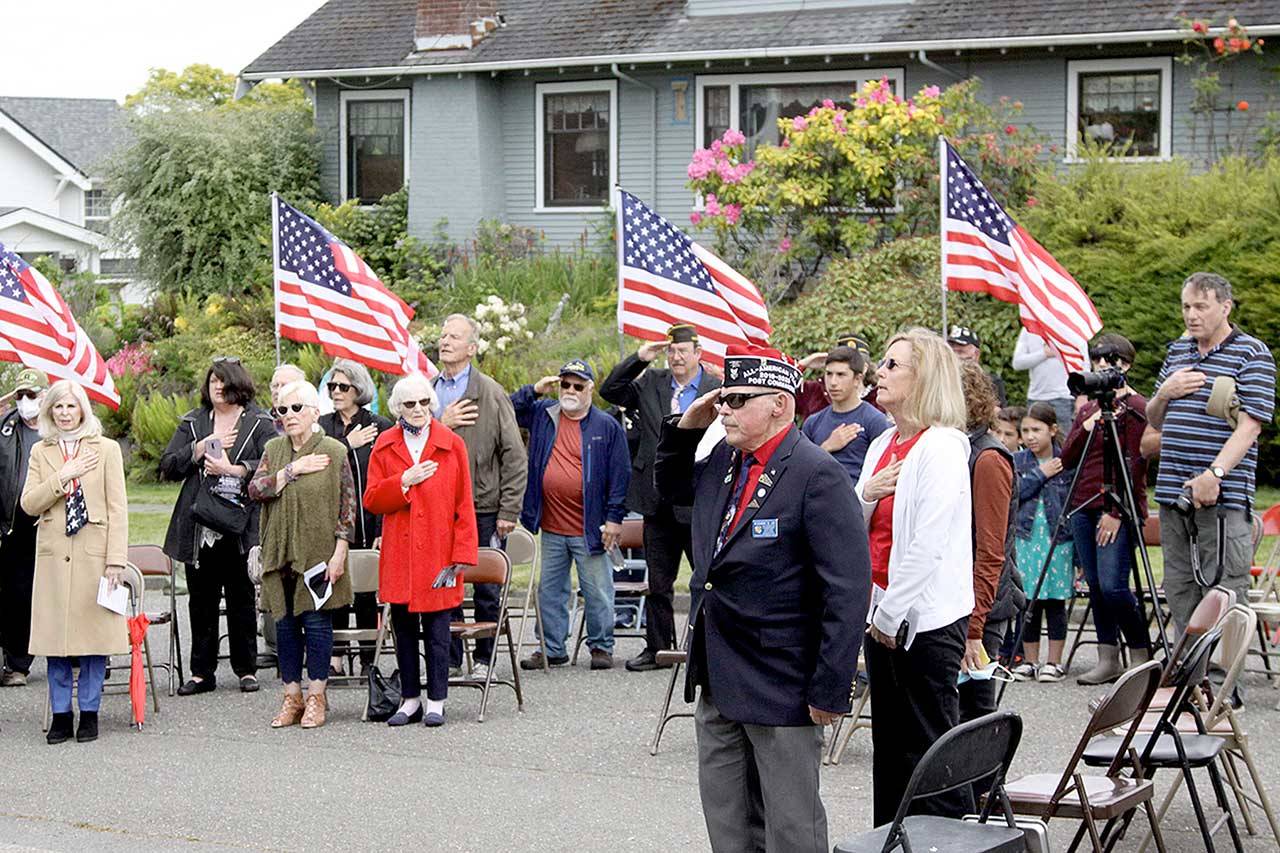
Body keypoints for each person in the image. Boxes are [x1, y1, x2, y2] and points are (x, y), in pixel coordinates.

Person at [655, 343, 869, 853]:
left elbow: (847, 589)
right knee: (728, 825)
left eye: (737, 399)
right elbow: (671, 488)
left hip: (782, 681)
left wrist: (830, 688)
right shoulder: (726, 462)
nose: (723, 409)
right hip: (719, 671)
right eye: (722, 399)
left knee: (792, 829)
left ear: (779, 403)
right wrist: (687, 426)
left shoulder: (816, 473)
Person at [855, 328, 974, 824]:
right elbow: (854, 524)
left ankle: (945, 838)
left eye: (891, 365)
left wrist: (891, 614)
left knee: (928, 744)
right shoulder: (883, 440)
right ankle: (891, 836)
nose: (878, 373)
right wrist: (865, 494)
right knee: (890, 745)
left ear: (923, 378)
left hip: (923, 620)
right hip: (880, 609)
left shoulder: (943, 445)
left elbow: (926, 543)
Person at [1147, 272, 1276, 634]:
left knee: (1223, 590)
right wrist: (1164, 393)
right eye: (1186, 306)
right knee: (1179, 587)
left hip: (1221, 495)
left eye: (1201, 306)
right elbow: (1154, 419)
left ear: (1225, 307)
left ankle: (1221, 687)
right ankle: (1190, 683)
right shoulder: (1178, 351)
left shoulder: (1252, 353)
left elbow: (1251, 426)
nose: (1192, 315)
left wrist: (1213, 475)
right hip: (1173, 491)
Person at [599, 323, 721, 671]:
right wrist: (640, 358)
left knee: (706, 579)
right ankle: (658, 648)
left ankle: (711, 647)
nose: (676, 356)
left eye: (683, 351)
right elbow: (611, 390)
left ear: (699, 353)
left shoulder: (714, 389)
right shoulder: (651, 383)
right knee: (659, 582)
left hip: (699, 499)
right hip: (657, 499)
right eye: (672, 351)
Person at [364, 373, 477, 727]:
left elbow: (464, 503)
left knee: (439, 630)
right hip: (400, 552)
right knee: (404, 628)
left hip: (439, 552)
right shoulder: (384, 444)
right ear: (398, 407)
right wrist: (403, 481)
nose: (418, 409)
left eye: (424, 402)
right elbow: (371, 500)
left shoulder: (451, 443)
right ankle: (410, 698)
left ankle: (437, 700)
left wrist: (462, 554)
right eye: (410, 404)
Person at [21, 380, 128, 744]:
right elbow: (29, 503)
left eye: (71, 406)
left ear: (83, 409)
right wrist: (62, 476)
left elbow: (118, 508)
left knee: (93, 639)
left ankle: (90, 711)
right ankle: (62, 715)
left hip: (93, 554)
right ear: (49, 412)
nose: (65, 414)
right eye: (58, 407)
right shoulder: (41, 452)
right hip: (54, 556)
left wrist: (115, 559)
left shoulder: (107, 449)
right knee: (57, 641)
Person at [160, 357, 274, 696]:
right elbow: (168, 465)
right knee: (201, 600)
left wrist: (235, 469)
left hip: (240, 524)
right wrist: (196, 451)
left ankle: (246, 669)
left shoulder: (259, 420)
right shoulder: (194, 421)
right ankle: (201, 672)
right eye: (212, 383)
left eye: (223, 383)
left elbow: (272, 462)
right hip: (200, 526)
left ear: (237, 385)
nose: (217, 389)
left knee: (241, 598)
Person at [248, 380, 354, 729]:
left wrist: (340, 552)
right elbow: (256, 489)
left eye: (296, 408)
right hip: (280, 550)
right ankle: (292, 697)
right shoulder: (274, 449)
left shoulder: (335, 451)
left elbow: (347, 509)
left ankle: (316, 697)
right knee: (285, 625)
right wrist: (291, 470)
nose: (288, 415)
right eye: (282, 409)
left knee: (317, 624)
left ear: (314, 411)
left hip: (319, 552)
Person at [513, 360, 629, 671]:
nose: (571, 391)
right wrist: (534, 390)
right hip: (550, 523)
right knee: (550, 591)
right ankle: (552, 648)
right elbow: (509, 410)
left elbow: (620, 476)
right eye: (566, 384)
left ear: (590, 389)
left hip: (591, 526)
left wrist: (615, 519)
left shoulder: (606, 425)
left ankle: (601, 646)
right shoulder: (544, 413)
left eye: (579, 385)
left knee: (598, 591)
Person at [433, 314, 527, 682]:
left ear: (471, 348)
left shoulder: (490, 391)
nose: (444, 342)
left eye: (454, 337)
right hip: (438, 507)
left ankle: (486, 657)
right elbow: (412, 442)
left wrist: (509, 509)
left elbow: (515, 455)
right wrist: (442, 421)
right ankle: (452, 659)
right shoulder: (427, 392)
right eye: (442, 335)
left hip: (483, 506)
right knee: (446, 583)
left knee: (485, 586)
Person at [1061, 334, 1153, 684]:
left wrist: (1116, 512)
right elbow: (1067, 457)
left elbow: (1136, 462)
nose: (1101, 365)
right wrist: (1085, 426)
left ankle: (1141, 656)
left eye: (1110, 360)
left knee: (1114, 586)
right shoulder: (1088, 409)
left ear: (1126, 365)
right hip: (1084, 503)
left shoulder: (1136, 408)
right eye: (1096, 359)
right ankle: (1107, 656)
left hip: (1118, 507)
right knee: (1097, 586)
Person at [956, 361, 1022, 724]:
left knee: (976, 714)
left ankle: (988, 784)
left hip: (983, 608)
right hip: (959, 604)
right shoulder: (954, 448)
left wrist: (975, 627)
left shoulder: (988, 458)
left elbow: (991, 550)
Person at [318, 358, 392, 677]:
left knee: (363, 591)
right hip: (330, 523)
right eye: (331, 386)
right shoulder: (322, 425)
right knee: (334, 587)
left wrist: (382, 526)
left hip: (367, 519)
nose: (335, 392)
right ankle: (334, 658)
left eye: (342, 387)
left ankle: (367, 661)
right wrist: (348, 445)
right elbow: (319, 464)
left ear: (358, 390)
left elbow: (387, 479)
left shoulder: (380, 425)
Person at [1010, 402, 1074, 683]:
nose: (1030, 436)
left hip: (1058, 542)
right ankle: (1030, 660)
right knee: (1028, 602)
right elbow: (1014, 493)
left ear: (1053, 430)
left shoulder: (1066, 462)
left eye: (1037, 429)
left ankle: (1054, 661)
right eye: (1025, 430)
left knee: (1055, 603)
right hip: (1025, 541)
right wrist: (1040, 474)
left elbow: (1075, 503)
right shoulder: (1018, 462)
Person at [258, 362, 308, 670]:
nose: (279, 393)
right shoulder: (269, 437)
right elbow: (257, 487)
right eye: (275, 386)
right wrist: (289, 472)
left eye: (287, 386)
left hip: (310, 536)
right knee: (278, 602)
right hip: (272, 528)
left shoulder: (323, 437)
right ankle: (277, 650)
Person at [0, 369, 47, 687]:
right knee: (17, 595)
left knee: (61, 591)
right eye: (20, 395)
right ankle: (17, 664)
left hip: (53, 524)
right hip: (15, 525)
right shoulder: (5, 427)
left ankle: (73, 658)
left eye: (31, 395)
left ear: (45, 395)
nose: (25, 401)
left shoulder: (60, 425)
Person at [800, 345, 891, 485]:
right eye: (829, 374)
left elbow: (886, 472)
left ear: (857, 379)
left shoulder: (875, 421)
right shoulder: (813, 422)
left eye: (841, 375)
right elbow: (799, 471)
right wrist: (826, 447)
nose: (833, 382)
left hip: (856, 502)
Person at [795, 332, 882, 419]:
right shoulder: (815, 391)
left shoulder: (880, 396)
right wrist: (801, 365)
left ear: (864, 368)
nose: (833, 382)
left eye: (841, 374)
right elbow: (784, 396)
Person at [1012, 327, 1074, 429]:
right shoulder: (1028, 327)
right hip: (1035, 397)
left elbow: (1083, 361)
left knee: (1065, 442)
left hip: (1063, 397)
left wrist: (1082, 396)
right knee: (1034, 440)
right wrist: (1044, 353)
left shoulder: (1067, 324)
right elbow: (1017, 363)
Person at [948, 324, 1008, 406]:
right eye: (951, 352)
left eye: (960, 352)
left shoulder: (992, 382)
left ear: (976, 354)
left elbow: (1000, 415)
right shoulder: (941, 380)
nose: (955, 357)